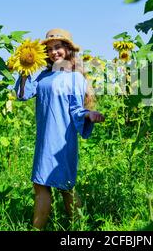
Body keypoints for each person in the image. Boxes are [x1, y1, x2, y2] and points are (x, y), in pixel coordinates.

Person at [14, 28, 105, 230]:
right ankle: (39, 229)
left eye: (58, 47)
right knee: (40, 183)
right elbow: (23, 95)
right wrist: (24, 68)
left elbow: (76, 109)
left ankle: (78, 228)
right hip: (44, 137)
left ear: (68, 50)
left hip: (63, 139)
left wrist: (89, 114)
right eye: (50, 49)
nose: (54, 52)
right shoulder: (42, 76)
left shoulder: (75, 78)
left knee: (65, 186)